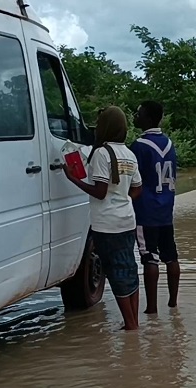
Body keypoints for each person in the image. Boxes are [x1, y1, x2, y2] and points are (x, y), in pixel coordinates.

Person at [63, 106, 143, 330]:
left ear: (105, 127)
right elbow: (138, 189)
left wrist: (72, 179)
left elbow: (100, 191)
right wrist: (121, 198)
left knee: (115, 271)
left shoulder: (101, 153)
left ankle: (130, 325)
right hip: (127, 220)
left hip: (107, 224)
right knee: (128, 268)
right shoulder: (129, 153)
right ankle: (133, 322)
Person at [130, 100, 181, 314]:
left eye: (139, 113)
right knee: (171, 256)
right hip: (166, 209)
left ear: (149, 119)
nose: (135, 116)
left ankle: (151, 309)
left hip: (145, 211)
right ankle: (172, 303)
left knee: (149, 258)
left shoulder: (139, 146)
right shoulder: (169, 144)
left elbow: (134, 181)